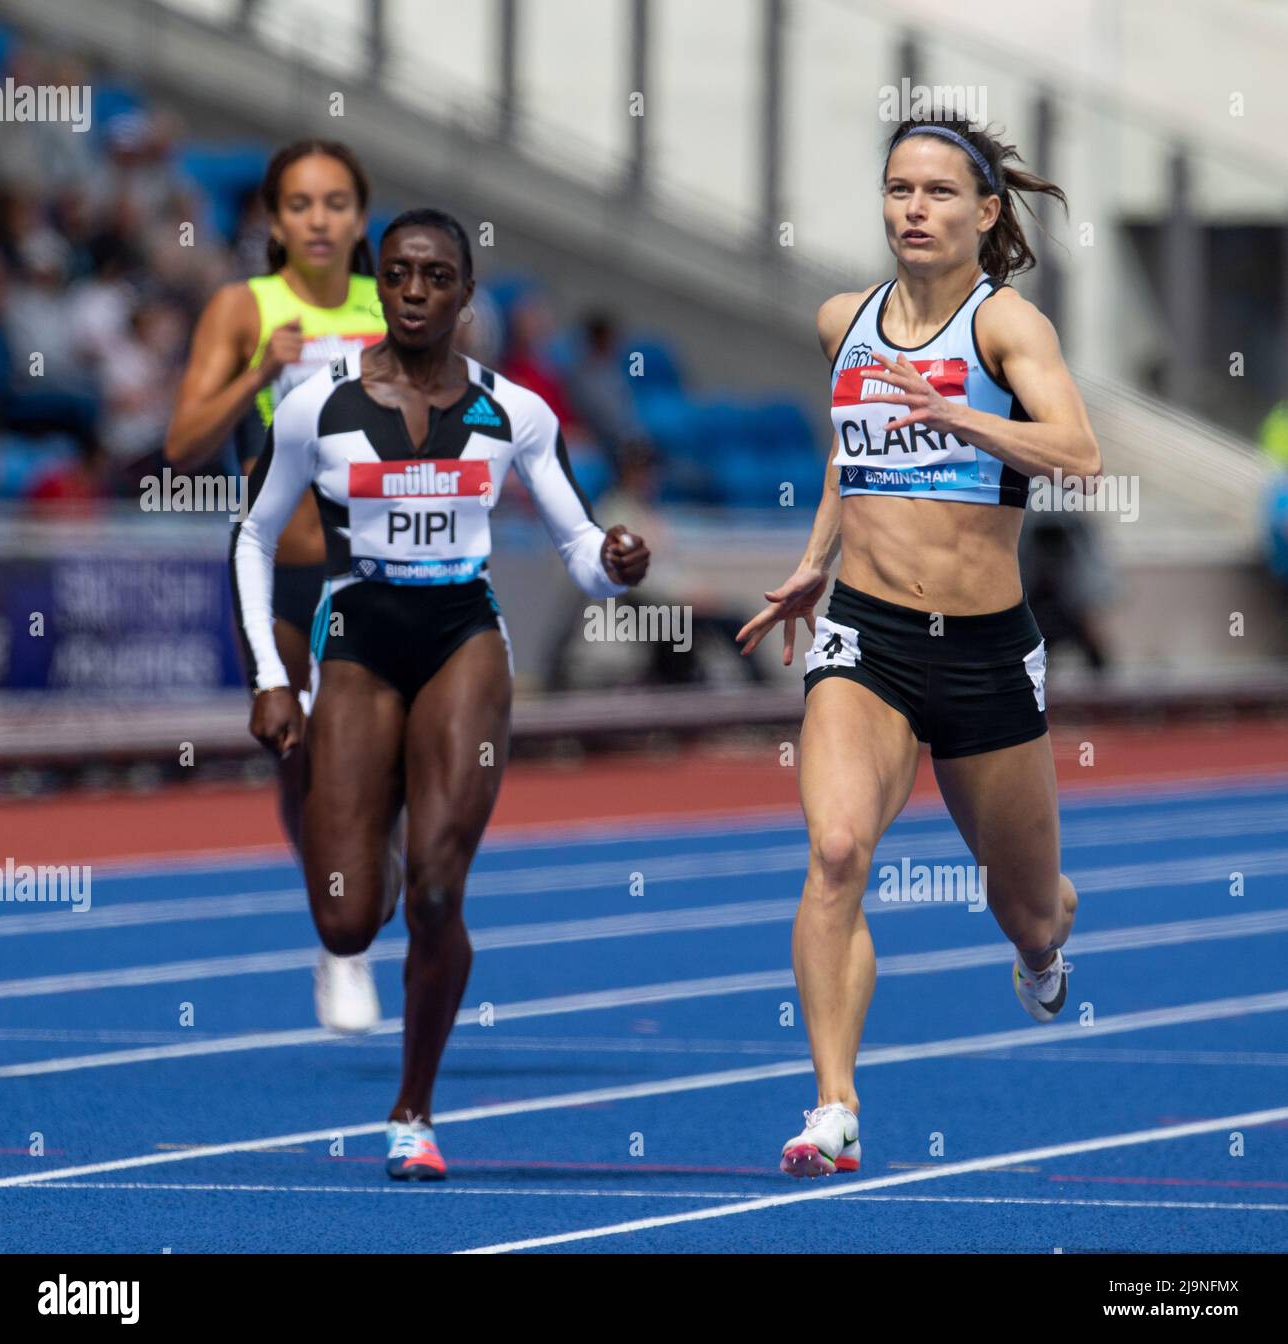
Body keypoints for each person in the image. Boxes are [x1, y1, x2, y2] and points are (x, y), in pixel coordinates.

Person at [230, 208, 649, 1179]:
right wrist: (269, 676)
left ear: (466, 296)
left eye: (437, 277)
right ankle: (373, 825)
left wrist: (617, 563)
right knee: (345, 916)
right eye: (402, 275)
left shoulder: (515, 411)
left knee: (436, 887)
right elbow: (252, 538)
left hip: (462, 633)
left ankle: (412, 1110)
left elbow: (581, 549)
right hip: (358, 637)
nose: (417, 291)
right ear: (383, 287)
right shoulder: (314, 404)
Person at [738, 115, 1097, 1178]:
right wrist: (817, 557)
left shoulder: (1007, 329)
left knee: (1026, 905)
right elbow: (854, 447)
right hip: (868, 636)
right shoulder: (840, 320)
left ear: (986, 214)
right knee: (839, 849)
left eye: (939, 193)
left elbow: (1076, 450)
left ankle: (1043, 948)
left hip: (985, 652)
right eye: (899, 189)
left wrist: (964, 419)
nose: (913, 210)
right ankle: (834, 1107)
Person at [166, 140, 392, 1033]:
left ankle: (357, 916)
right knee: (300, 757)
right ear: (274, 221)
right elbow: (182, 442)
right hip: (277, 565)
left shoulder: (398, 303)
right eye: (300, 204)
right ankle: (338, 919)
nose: (319, 220)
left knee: (366, 764)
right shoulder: (241, 307)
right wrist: (261, 371)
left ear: (360, 217)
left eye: (337, 202)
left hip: (380, 570)